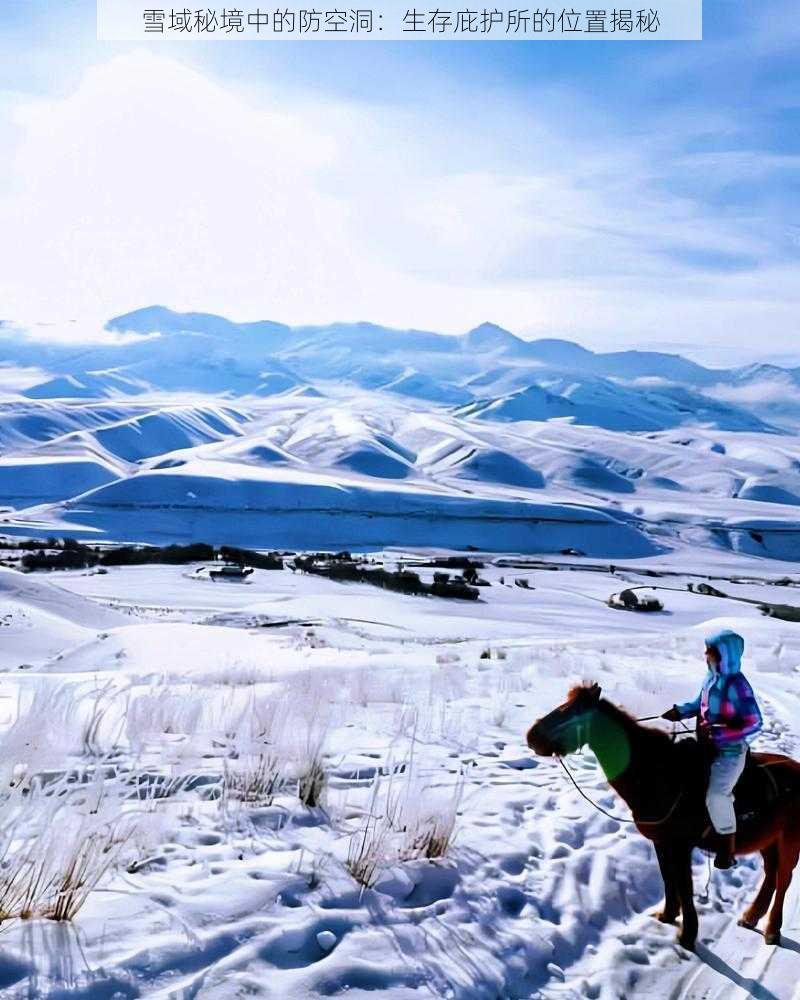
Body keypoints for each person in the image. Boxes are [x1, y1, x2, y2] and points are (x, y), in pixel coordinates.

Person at [662, 629, 763, 869]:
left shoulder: (738, 685)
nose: (706, 655)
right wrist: (681, 710)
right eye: (707, 650)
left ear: (726, 655)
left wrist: (720, 732)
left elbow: (755, 722)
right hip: (706, 745)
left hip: (730, 751)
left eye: (712, 651)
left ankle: (727, 847)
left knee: (717, 795)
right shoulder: (710, 678)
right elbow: (700, 703)